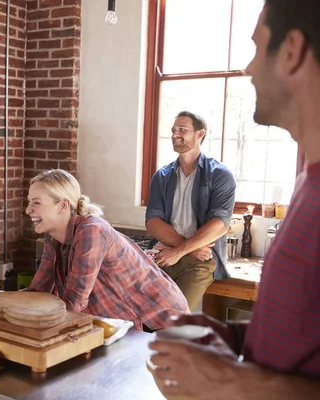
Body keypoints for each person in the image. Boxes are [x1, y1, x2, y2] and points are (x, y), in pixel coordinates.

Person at [149, 1, 320, 398]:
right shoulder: (307, 185)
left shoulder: (221, 174)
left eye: (258, 48)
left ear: (292, 52)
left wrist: (229, 381)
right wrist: (235, 337)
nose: (248, 68)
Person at [25, 169, 189, 331]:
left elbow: (74, 301)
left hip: (159, 322)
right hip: (126, 324)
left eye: (36, 203)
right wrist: (4, 304)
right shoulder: (53, 237)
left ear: (63, 206)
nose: (28, 210)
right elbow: (38, 291)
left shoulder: (91, 230)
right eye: (29, 202)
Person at [145, 111, 236, 311]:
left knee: (173, 319)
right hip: (163, 254)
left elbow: (220, 224)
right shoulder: (162, 176)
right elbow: (152, 222)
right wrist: (184, 248)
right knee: (140, 316)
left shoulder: (220, 175)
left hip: (200, 262)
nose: (175, 134)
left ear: (200, 134)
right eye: (173, 130)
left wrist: (182, 251)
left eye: (182, 130)